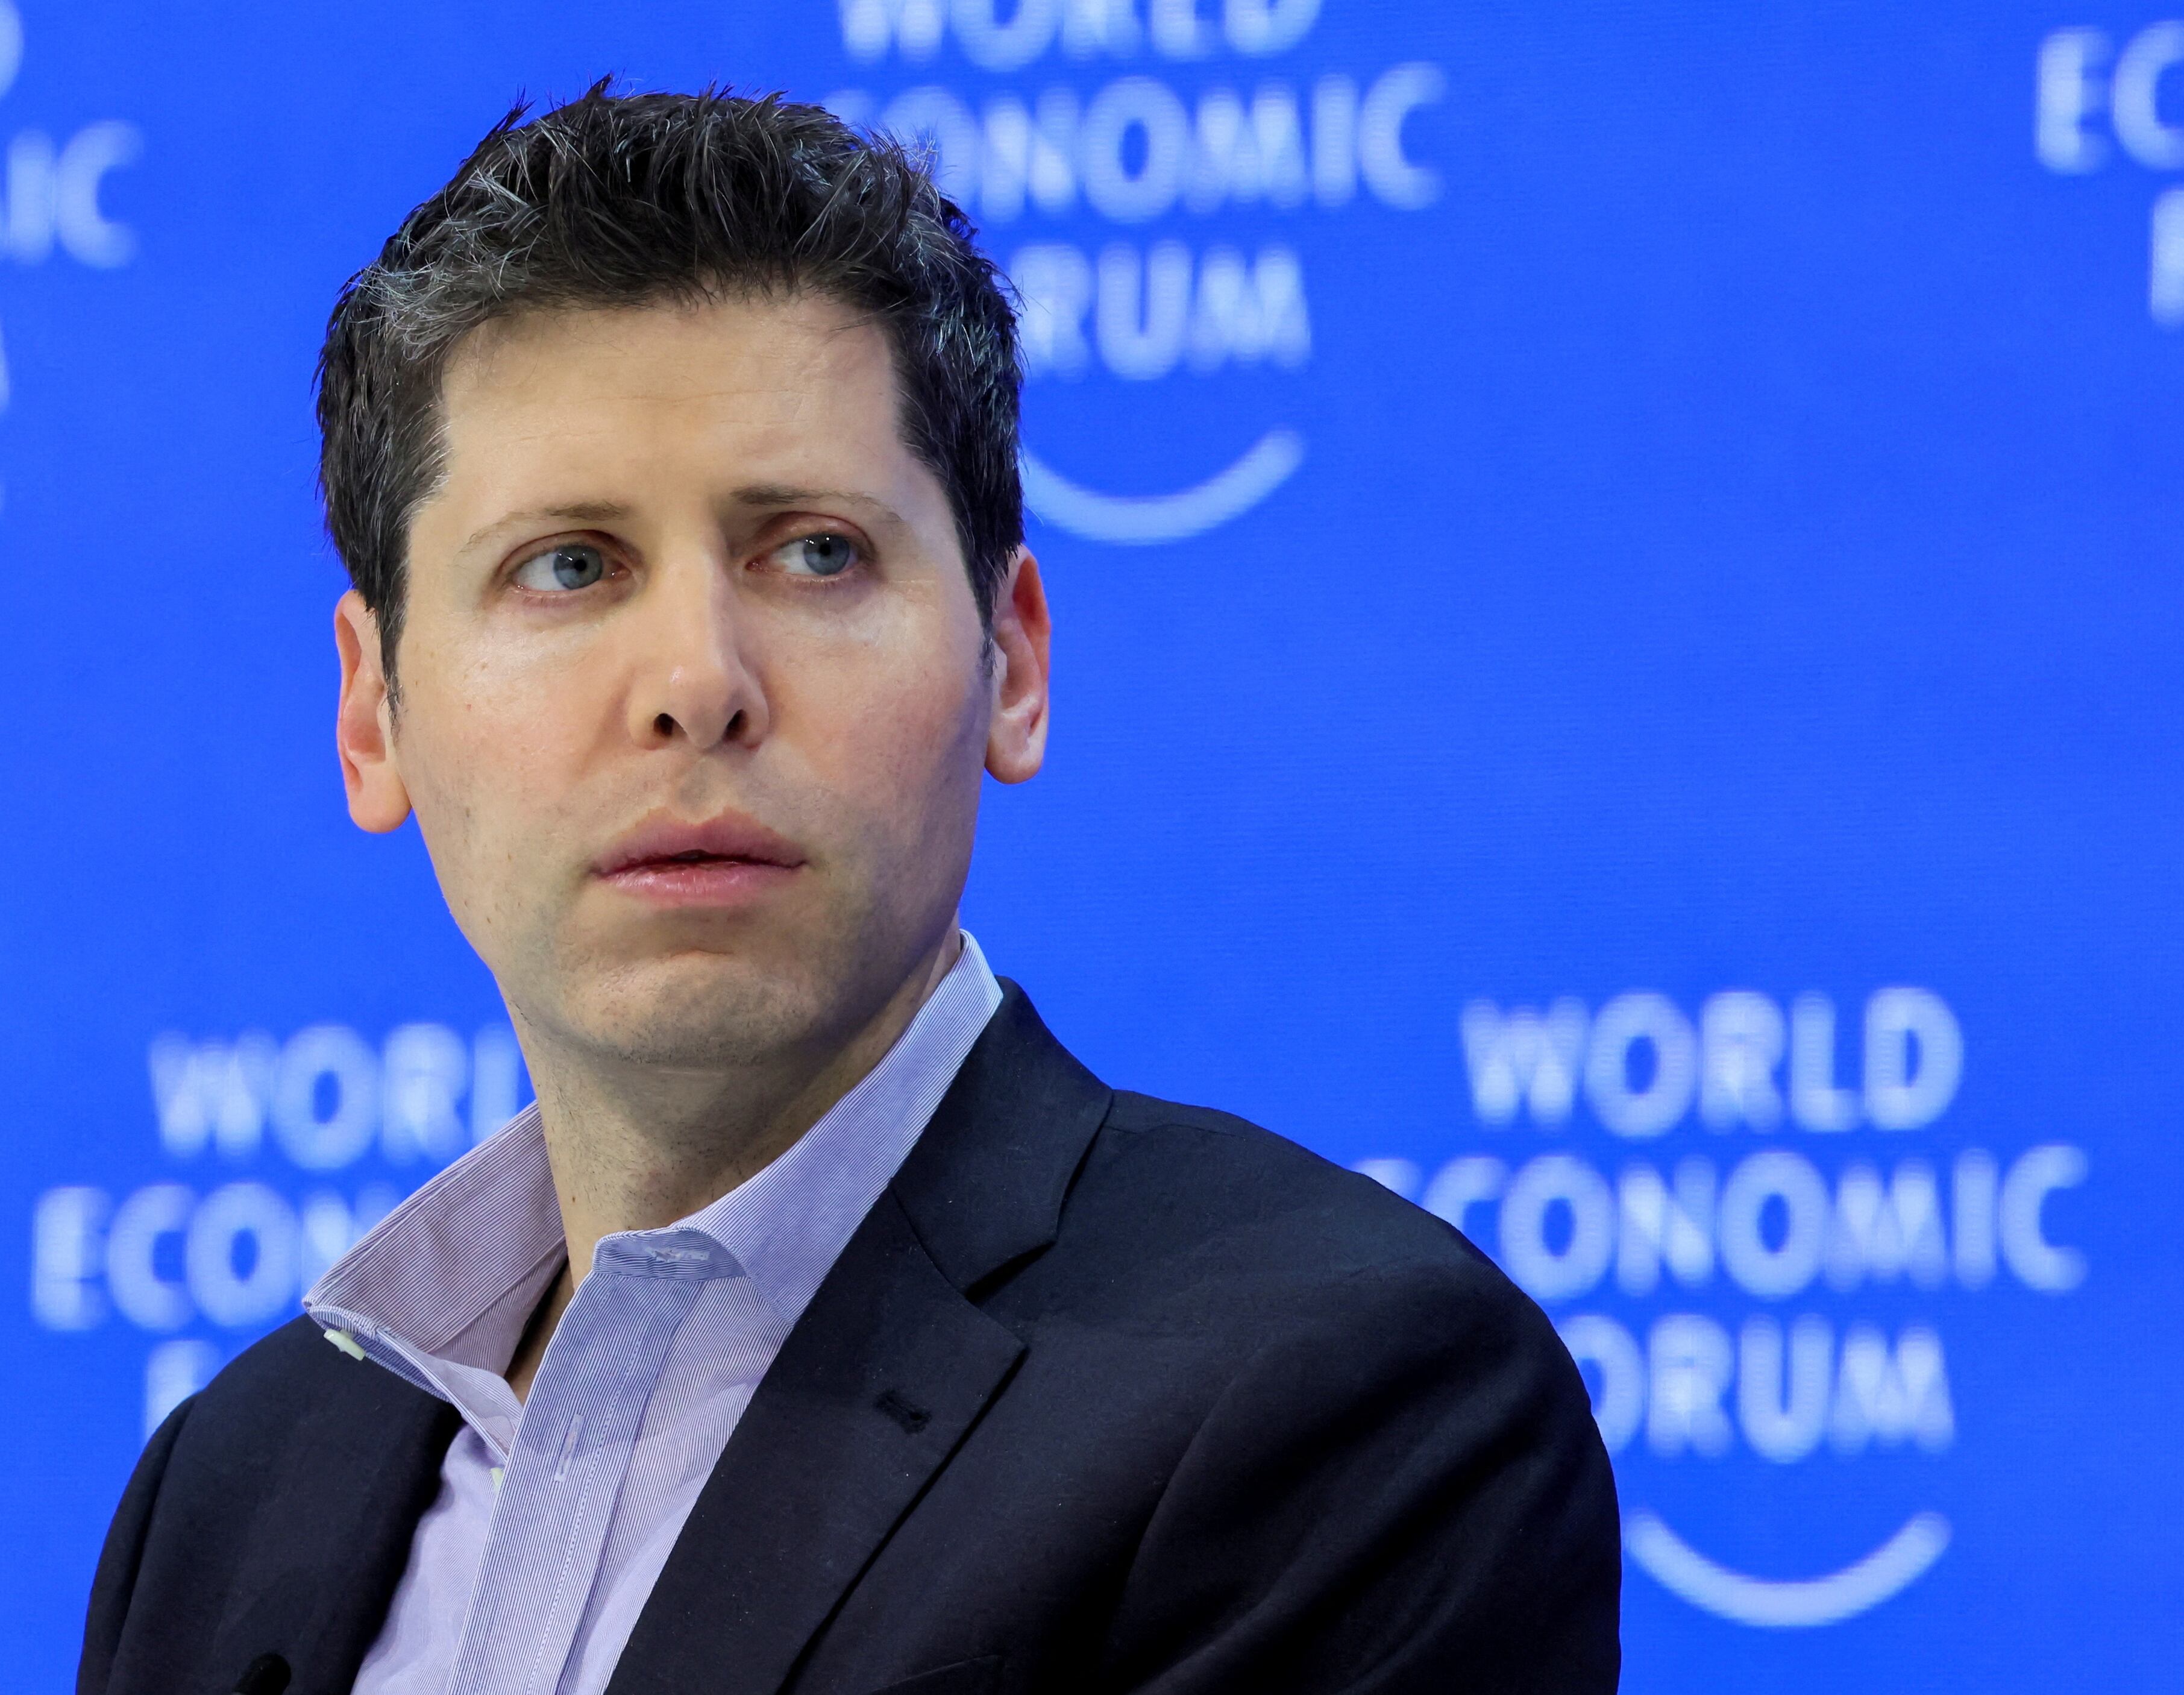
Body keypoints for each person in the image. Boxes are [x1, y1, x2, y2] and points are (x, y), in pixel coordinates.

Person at [79, 86, 1618, 1695]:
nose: (696, 682)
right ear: (372, 709)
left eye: (814, 553)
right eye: (570, 566)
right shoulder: (226, 1492)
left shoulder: (1345, 1401)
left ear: (1011, 660)